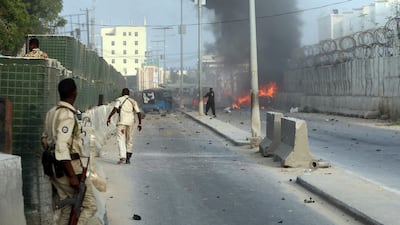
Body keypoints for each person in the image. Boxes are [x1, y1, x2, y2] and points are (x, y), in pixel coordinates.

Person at [41, 78, 98, 225]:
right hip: (68, 169)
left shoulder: (51, 112)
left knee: (66, 206)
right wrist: (72, 176)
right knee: (89, 206)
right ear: (74, 93)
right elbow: (61, 146)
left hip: (54, 167)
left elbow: (44, 140)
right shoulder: (67, 114)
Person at [106, 88, 142, 164]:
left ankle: (122, 156)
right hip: (131, 122)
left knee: (121, 139)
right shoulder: (133, 101)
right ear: (129, 94)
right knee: (129, 139)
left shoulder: (119, 100)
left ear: (122, 93)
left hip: (122, 123)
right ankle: (128, 158)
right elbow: (138, 112)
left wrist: (109, 117)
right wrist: (139, 123)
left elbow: (115, 108)